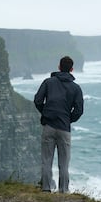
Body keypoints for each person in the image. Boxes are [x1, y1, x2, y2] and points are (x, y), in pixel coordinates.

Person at [34, 56, 84, 193]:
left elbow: (38, 100)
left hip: (49, 126)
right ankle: (63, 191)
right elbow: (79, 110)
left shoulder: (48, 82)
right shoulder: (76, 88)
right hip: (64, 129)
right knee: (64, 164)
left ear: (59, 67)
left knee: (46, 160)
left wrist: (46, 113)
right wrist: (68, 119)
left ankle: (45, 189)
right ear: (72, 69)